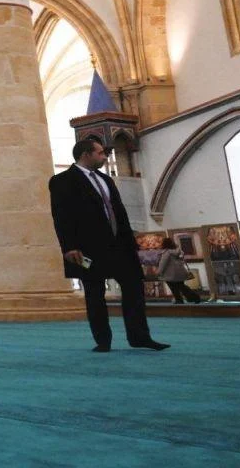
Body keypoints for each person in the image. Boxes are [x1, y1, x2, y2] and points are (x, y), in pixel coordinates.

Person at [49, 138, 169, 353]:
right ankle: (103, 341)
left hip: (119, 246)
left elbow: (119, 212)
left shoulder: (106, 180)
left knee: (134, 287)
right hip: (88, 248)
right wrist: (69, 247)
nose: (105, 157)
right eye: (100, 153)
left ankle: (139, 336)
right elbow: (61, 216)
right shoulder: (63, 181)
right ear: (86, 154)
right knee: (95, 294)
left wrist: (131, 242)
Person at [157, 238, 201, 304]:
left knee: (174, 288)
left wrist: (159, 272)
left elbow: (163, 264)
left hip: (170, 275)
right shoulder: (178, 251)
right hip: (180, 273)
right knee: (182, 287)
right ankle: (194, 297)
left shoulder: (167, 253)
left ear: (164, 244)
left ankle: (179, 300)